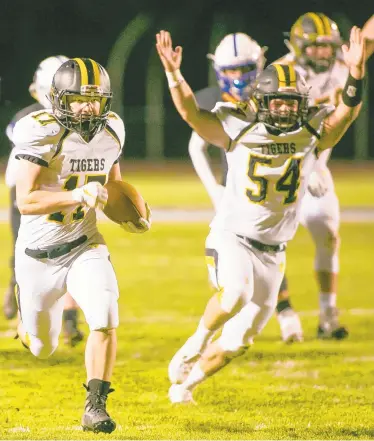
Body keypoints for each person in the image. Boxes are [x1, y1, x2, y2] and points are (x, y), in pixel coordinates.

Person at [156, 26, 365, 403]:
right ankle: (195, 341)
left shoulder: (310, 133)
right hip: (232, 236)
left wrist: (356, 73)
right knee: (235, 292)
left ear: (303, 102)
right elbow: (190, 113)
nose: (284, 108)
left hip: (275, 250)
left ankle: (186, 387)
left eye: (291, 101)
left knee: (241, 339)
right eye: (277, 101)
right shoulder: (239, 127)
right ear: (262, 101)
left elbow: (347, 115)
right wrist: (174, 74)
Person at [13, 58, 151, 432]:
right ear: (59, 99)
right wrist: (78, 196)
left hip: (83, 243)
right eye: (78, 99)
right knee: (43, 347)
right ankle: (26, 319)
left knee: (105, 315)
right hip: (37, 255)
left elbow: (113, 186)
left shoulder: (113, 130)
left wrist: (128, 214)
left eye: (96, 99)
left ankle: (96, 406)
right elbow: (25, 201)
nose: (88, 107)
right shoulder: (41, 132)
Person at [274, 13, 372, 342]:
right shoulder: (281, 74)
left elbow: (365, 41)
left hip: (316, 165)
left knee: (329, 235)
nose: (324, 53)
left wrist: (316, 164)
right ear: (299, 47)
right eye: (315, 47)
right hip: (283, 167)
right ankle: (284, 313)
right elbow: (273, 132)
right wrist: (308, 164)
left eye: (328, 46)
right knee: (269, 243)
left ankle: (327, 314)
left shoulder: (343, 64)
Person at [3, 55, 85, 346]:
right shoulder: (36, 121)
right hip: (54, 195)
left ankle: (42, 318)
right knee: (64, 252)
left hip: (49, 196)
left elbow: (14, 176)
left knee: (49, 254)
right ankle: (55, 319)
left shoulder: (33, 120)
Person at [188, 33, 266, 210]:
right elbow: (196, 148)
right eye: (232, 70)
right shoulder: (215, 101)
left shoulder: (273, 100)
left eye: (245, 69)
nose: (239, 76)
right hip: (233, 193)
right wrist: (214, 190)